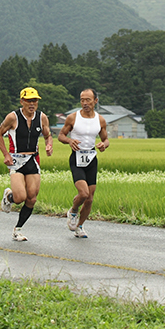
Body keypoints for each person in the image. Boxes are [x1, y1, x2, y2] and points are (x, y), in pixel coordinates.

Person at [0, 87, 53, 241]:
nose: (32, 104)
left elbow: (48, 135)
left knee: (32, 198)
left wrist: (49, 145)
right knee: (20, 197)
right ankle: (9, 196)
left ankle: (18, 229)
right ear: (22, 101)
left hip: (33, 160)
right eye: (28, 101)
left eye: (35, 101)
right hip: (16, 160)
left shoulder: (42, 118)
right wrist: (6, 154)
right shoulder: (12, 117)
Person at [58, 88, 109, 239]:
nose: (85, 103)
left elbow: (106, 139)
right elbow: (61, 135)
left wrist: (103, 145)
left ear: (95, 101)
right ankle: (73, 211)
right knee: (83, 193)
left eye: (88, 100)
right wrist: (69, 140)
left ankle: (80, 226)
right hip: (77, 158)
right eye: (82, 100)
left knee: (90, 198)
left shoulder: (100, 120)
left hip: (91, 158)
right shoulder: (73, 118)